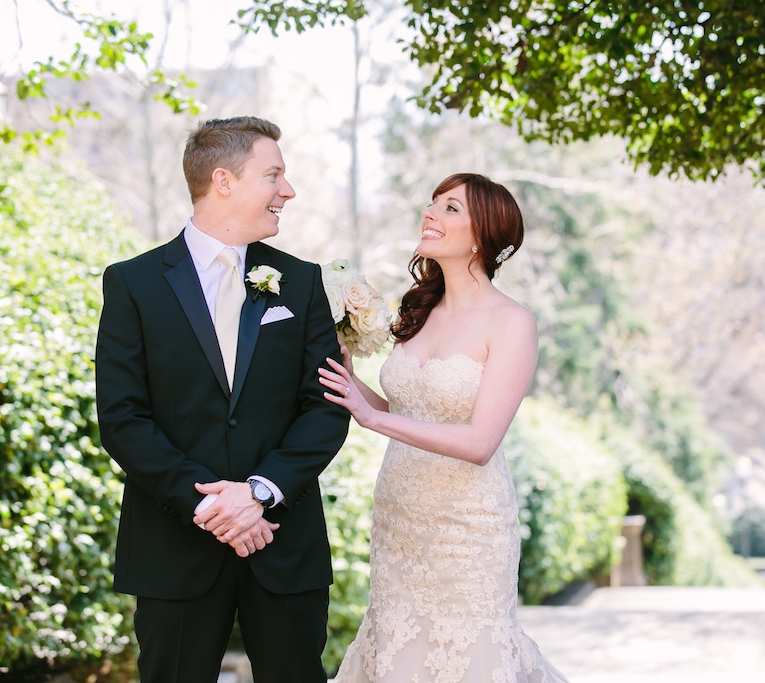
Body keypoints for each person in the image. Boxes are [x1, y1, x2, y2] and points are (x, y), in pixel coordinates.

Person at [95, 116, 350, 683]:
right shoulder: (132, 284)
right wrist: (213, 506)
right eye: (274, 175)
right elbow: (122, 417)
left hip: (283, 544)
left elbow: (326, 405)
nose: (288, 191)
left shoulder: (303, 283)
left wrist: (259, 492)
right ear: (224, 181)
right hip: (174, 547)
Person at [319, 173, 570, 682]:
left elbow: (480, 442)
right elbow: (402, 408)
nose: (430, 213)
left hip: (468, 529)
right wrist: (348, 381)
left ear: (483, 235)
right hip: (399, 521)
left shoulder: (511, 322)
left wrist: (374, 419)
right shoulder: (417, 311)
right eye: (433, 203)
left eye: (451, 208)